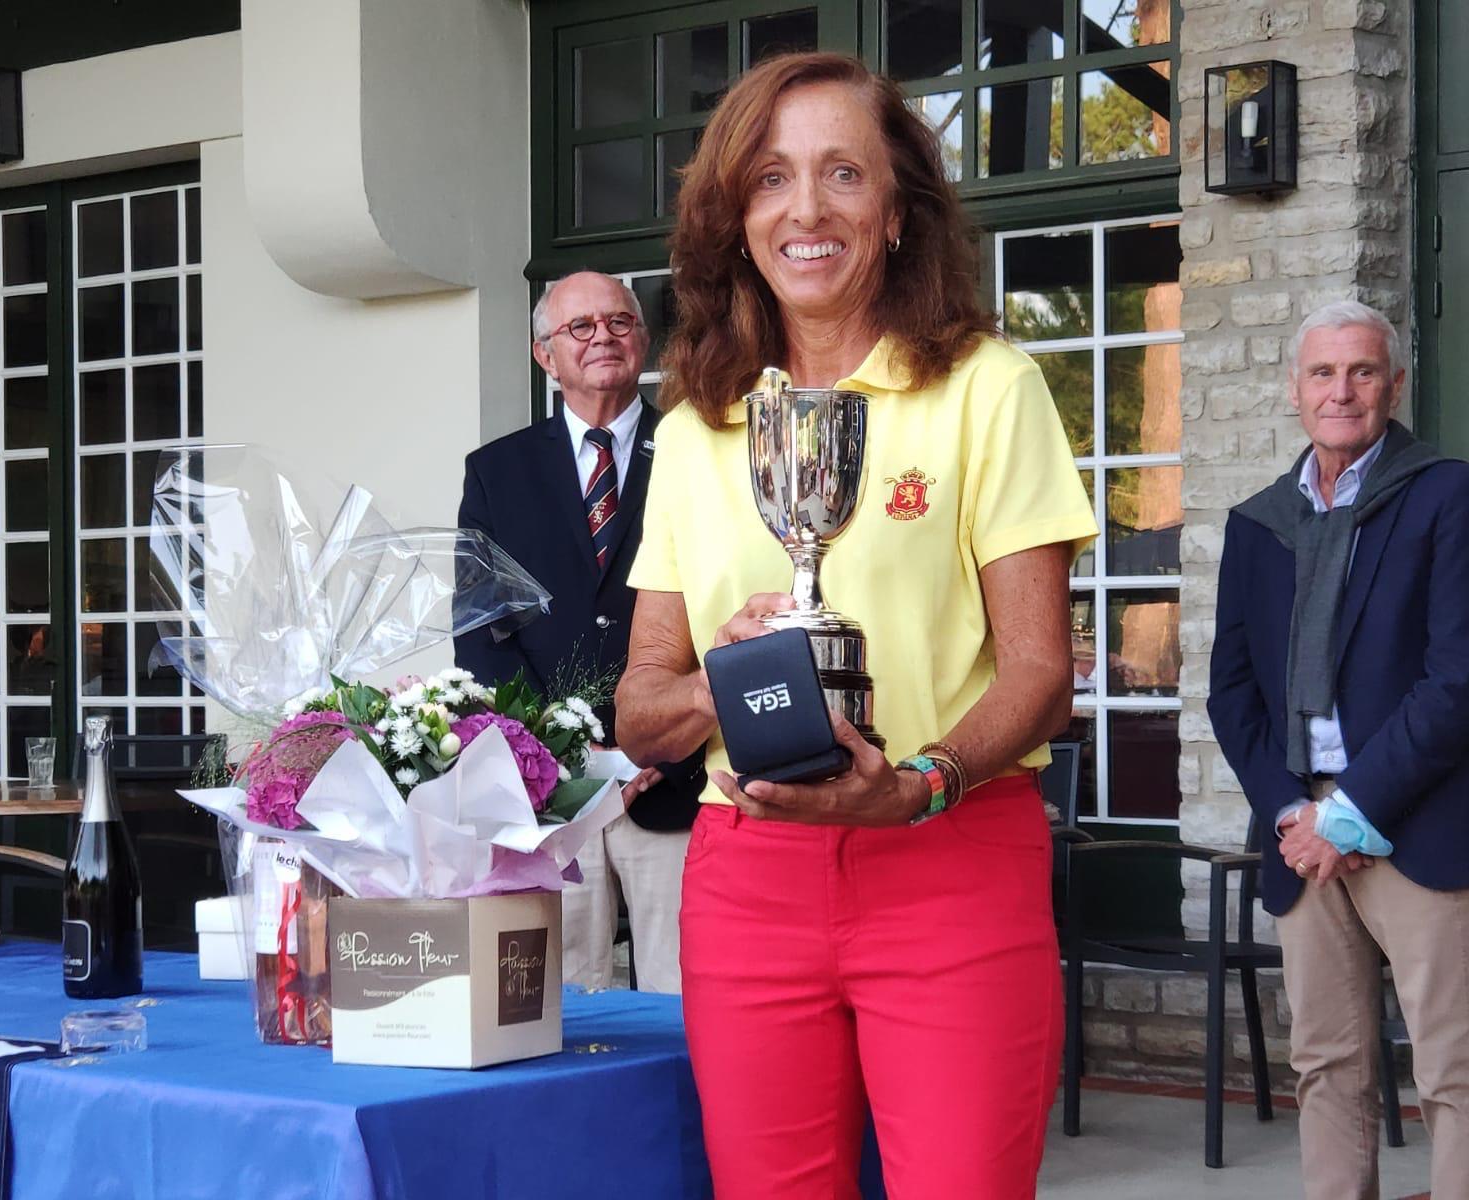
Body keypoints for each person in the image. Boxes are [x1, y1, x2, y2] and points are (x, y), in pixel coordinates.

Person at [614, 52, 1098, 1198]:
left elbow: (1039, 671)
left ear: (895, 214)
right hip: (746, 877)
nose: (806, 210)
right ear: (735, 218)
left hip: (950, 858)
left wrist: (921, 781)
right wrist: (722, 684)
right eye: (771, 179)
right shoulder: (693, 426)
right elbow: (641, 709)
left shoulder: (986, 386)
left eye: (844, 174)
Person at [1208, 300, 1469, 1200]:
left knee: (1455, 1071)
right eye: (1323, 373)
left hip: (1417, 823)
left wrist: (1348, 814)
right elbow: (1230, 690)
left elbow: (1457, 682)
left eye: (1362, 372)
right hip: (1299, 830)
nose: (1342, 390)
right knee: (1328, 1064)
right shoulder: (1258, 523)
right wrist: (1293, 810)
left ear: (1393, 386)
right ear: (1294, 391)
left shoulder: (1446, 494)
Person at [454, 271, 704, 995]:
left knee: (684, 1005)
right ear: (545, 355)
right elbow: (480, 631)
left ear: (645, 339)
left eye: (619, 322)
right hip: (554, 799)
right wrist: (565, 755)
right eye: (580, 328)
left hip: (676, 784)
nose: (603, 338)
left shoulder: (696, 451)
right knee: (558, 1005)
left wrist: (660, 738)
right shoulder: (498, 472)